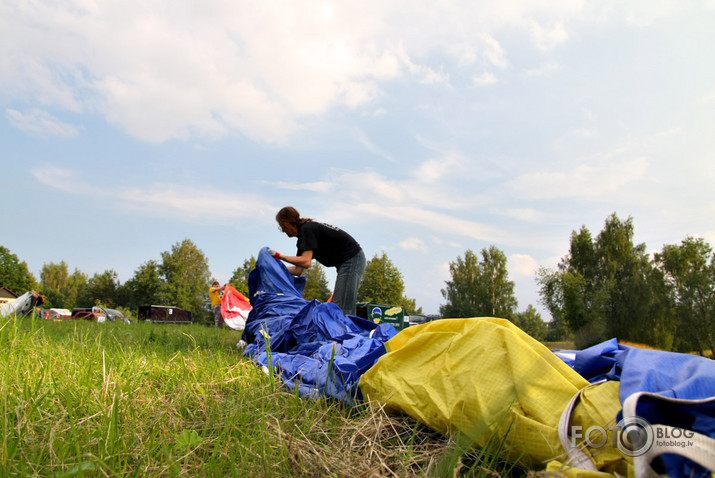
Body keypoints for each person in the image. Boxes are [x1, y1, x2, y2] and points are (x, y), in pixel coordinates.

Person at [270, 206, 366, 316]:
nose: (282, 230)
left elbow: (306, 262)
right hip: (347, 261)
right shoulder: (303, 237)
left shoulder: (307, 229)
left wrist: (280, 256)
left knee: (341, 306)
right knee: (338, 304)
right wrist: (276, 268)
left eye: (281, 226)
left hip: (352, 258)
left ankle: (347, 331)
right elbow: (298, 270)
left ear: (285, 223)